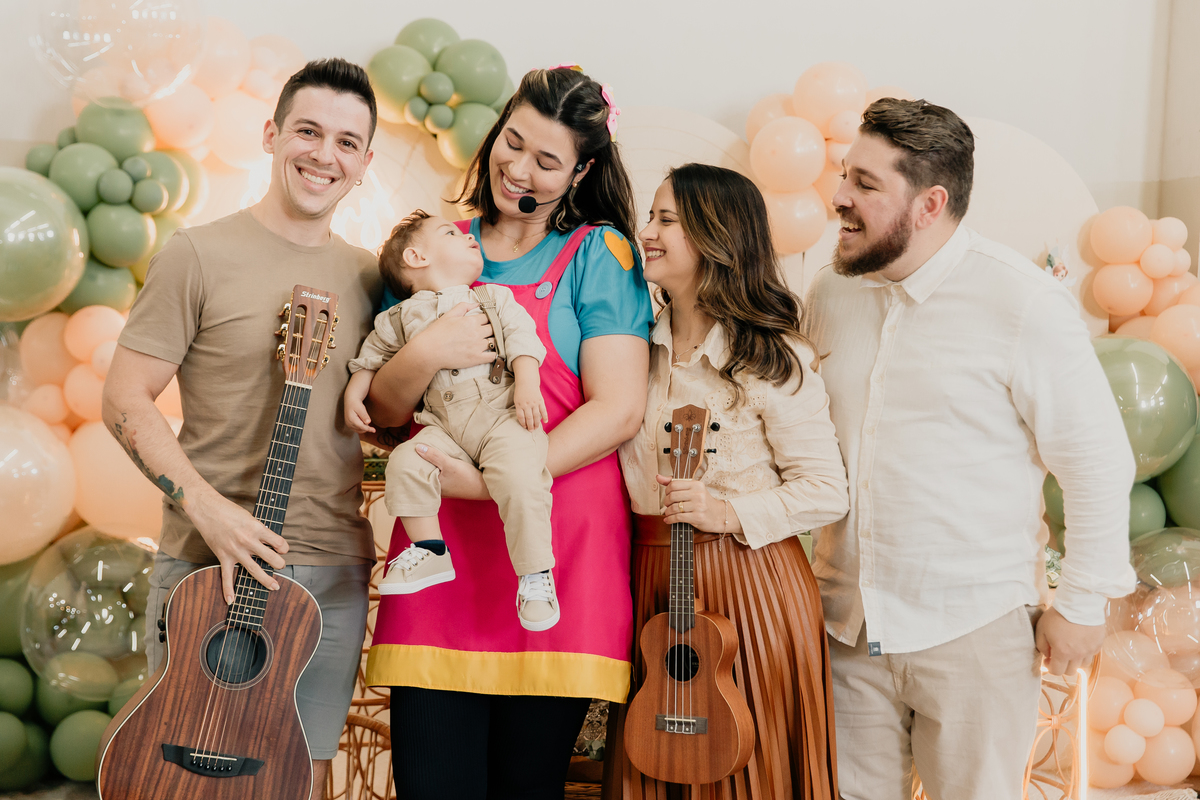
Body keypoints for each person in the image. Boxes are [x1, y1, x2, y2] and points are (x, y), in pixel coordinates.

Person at [803, 98, 1136, 800]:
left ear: (930, 204)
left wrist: (1082, 603)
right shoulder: (830, 291)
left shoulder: (1023, 303)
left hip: (973, 628)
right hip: (845, 628)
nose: (840, 197)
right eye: (845, 175)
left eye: (866, 183)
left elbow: (1096, 461)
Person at [362, 65, 653, 799]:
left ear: (581, 172)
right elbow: (385, 413)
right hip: (442, 556)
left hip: (558, 552)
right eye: (512, 142)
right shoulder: (434, 247)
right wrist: (428, 351)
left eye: (546, 161)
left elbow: (618, 409)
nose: (517, 168)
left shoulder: (599, 253)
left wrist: (494, 481)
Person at [101, 58, 381, 799]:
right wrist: (208, 510)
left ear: (365, 163)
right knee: (175, 781)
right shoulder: (196, 254)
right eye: (308, 131)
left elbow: (389, 412)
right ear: (271, 134)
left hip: (332, 573)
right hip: (207, 568)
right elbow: (124, 399)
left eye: (347, 142)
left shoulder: (373, 278)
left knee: (294, 781)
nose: (325, 155)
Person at [605, 163, 849, 800]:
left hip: (750, 586)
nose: (646, 232)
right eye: (650, 216)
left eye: (666, 220)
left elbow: (826, 488)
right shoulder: (631, 348)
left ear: (716, 236)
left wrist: (727, 513)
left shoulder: (773, 355)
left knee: (748, 769)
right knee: (652, 759)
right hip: (647, 576)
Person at [344, 209, 560, 630]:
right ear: (416, 257)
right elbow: (371, 358)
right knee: (406, 460)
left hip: (501, 417)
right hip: (443, 428)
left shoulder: (492, 297)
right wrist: (355, 392)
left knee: (522, 477)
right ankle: (430, 550)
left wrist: (527, 384)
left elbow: (522, 339)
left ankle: (535, 574)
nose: (468, 235)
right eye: (449, 232)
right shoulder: (397, 317)